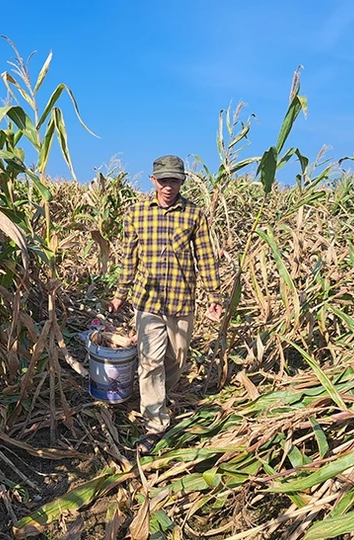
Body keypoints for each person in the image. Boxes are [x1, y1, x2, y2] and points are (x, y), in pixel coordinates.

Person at [108, 155, 223, 455]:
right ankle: (154, 424)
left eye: (174, 180)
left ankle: (160, 392)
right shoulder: (137, 213)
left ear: (182, 181)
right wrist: (120, 294)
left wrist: (214, 296)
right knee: (150, 361)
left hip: (182, 300)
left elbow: (205, 257)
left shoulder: (194, 214)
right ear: (153, 181)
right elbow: (129, 258)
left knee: (177, 358)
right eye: (163, 180)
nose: (168, 186)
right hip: (147, 301)